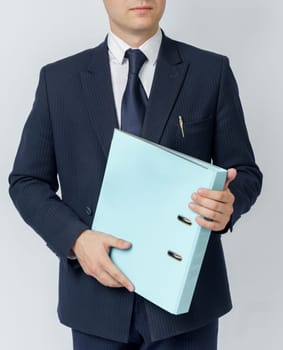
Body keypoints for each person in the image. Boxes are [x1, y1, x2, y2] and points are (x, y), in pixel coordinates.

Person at [8, 0, 262, 349]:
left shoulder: (210, 71)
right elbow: (26, 181)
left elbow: (246, 171)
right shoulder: (59, 80)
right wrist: (76, 240)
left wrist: (230, 205)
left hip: (187, 303)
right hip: (95, 301)